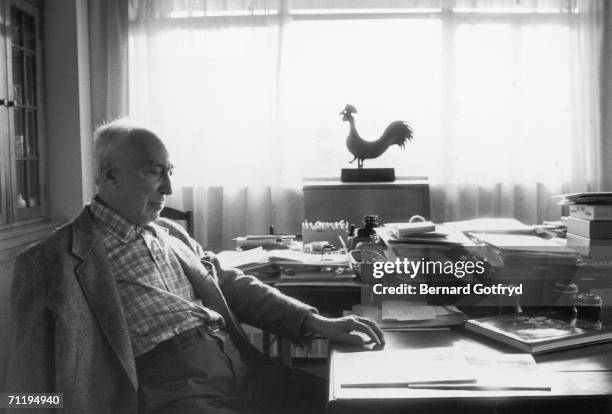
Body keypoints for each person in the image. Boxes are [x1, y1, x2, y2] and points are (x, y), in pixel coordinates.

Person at [6, 119, 384, 414]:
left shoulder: (169, 233)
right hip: (173, 394)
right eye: (154, 171)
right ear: (109, 173)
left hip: (242, 372)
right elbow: (26, 383)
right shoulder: (50, 262)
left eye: (169, 171)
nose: (169, 188)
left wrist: (315, 322)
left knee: (356, 404)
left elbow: (229, 284)